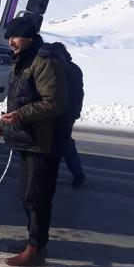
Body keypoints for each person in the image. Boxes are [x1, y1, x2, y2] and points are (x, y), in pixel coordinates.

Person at [0, 17, 71, 267]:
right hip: (27, 139)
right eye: (8, 38)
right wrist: (1, 128)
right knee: (27, 196)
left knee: (36, 197)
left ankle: (35, 249)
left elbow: (53, 102)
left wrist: (19, 116)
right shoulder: (24, 60)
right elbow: (18, 102)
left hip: (43, 143)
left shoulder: (45, 62)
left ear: (29, 37)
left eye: (15, 37)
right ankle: (34, 243)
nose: (10, 42)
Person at [58, 45, 87, 188]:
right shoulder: (74, 68)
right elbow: (79, 93)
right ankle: (77, 173)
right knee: (65, 142)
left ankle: (77, 174)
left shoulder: (62, 68)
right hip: (71, 112)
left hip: (63, 113)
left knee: (62, 144)